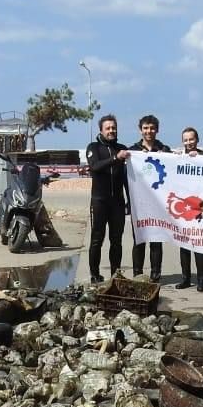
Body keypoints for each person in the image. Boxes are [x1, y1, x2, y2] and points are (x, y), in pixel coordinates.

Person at [86, 114, 130, 283]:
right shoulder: (94, 147)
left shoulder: (122, 148)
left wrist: (130, 200)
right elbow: (95, 167)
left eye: (113, 127)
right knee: (97, 239)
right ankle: (95, 275)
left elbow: (128, 177)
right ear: (101, 130)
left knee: (116, 240)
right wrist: (115, 158)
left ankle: (115, 275)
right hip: (99, 201)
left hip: (117, 202)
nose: (111, 130)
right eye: (108, 128)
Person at [129, 114, 170, 281]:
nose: (149, 131)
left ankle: (155, 274)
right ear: (140, 130)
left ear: (157, 130)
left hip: (158, 204)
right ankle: (137, 274)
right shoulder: (133, 150)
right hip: (138, 203)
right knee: (139, 239)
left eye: (152, 128)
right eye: (145, 128)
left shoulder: (165, 150)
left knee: (156, 239)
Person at [174, 127, 203, 291]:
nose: (188, 142)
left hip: (200, 207)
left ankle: (201, 279)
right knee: (184, 244)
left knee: (199, 244)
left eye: (191, 139)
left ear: (197, 140)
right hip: (184, 208)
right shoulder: (178, 158)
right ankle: (186, 278)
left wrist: (200, 159)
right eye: (185, 140)